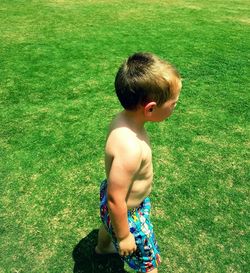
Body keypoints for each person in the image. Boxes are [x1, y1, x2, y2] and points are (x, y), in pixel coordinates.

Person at [94, 52, 182, 273]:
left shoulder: (121, 119)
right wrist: (124, 236)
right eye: (174, 104)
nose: (174, 108)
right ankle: (116, 240)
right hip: (128, 214)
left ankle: (102, 248)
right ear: (150, 108)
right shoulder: (131, 149)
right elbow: (116, 200)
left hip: (112, 200)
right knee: (149, 263)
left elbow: (112, 198)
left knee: (108, 222)